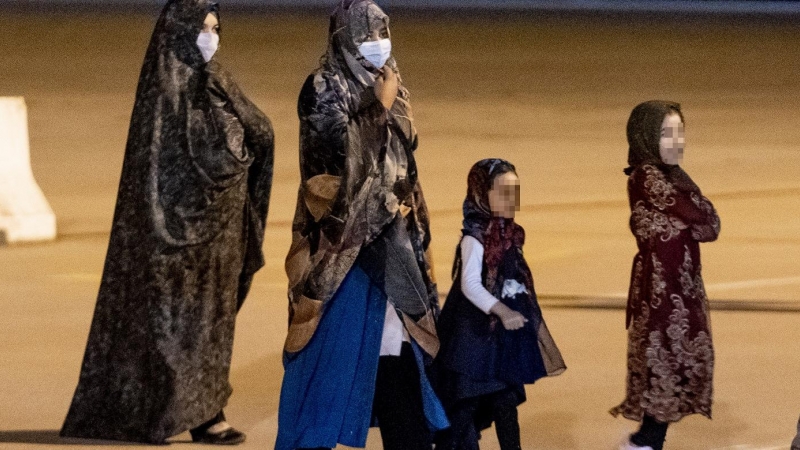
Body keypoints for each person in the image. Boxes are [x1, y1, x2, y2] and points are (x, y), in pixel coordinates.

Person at [60, 0, 274, 444]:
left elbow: (259, 132)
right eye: (202, 27)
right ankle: (164, 410)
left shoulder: (218, 80)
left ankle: (207, 412)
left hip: (221, 233)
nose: (210, 36)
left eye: (216, 27)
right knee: (171, 329)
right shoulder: (164, 95)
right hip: (171, 240)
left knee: (211, 328)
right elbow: (165, 170)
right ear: (179, 33)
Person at [275, 1, 448, 449]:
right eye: (367, 36)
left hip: (393, 239)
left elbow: (404, 162)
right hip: (343, 251)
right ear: (344, 38)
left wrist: (415, 225)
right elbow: (336, 164)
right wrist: (377, 107)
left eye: (383, 33)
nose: (378, 45)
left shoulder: (393, 82)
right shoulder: (321, 90)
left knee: (399, 349)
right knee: (331, 353)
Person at [433, 158, 566, 450]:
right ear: (483, 194)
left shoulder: (510, 233)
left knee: (506, 402)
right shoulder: (475, 236)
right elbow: (470, 285)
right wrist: (502, 310)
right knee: (464, 405)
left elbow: (512, 274)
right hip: (471, 338)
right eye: (503, 191)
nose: (511, 199)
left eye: (515, 190)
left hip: (496, 342)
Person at [610, 101, 720, 450]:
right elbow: (696, 212)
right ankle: (646, 441)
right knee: (663, 362)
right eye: (667, 134)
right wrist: (691, 218)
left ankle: (647, 438)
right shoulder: (647, 176)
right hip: (659, 289)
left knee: (675, 362)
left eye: (680, 132)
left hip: (682, 288)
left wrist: (692, 220)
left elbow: (711, 224)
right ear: (646, 138)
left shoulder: (675, 177)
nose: (678, 141)